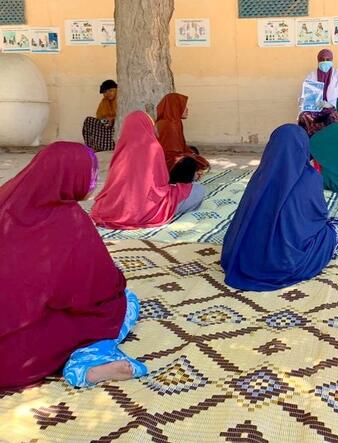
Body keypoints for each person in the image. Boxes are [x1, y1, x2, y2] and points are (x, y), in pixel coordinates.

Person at [0, 142, 147, 389]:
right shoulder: (69, 220)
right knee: (123, 303)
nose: (93, 182)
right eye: (91, 175)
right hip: (17, 358)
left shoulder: (6, 199)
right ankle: (85, 363)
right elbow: (96, 291)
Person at [221, 124, 338, 291]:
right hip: (284, 263)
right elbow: (319, 217)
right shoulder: (309, 177)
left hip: (240, 258)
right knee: (337, 225)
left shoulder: (261, 176)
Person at [91, 111, 205, 229]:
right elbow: (162, 183)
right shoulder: (153, 147)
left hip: (116, 207)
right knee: (199, 190)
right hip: (148, 207)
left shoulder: (121, 148)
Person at [156, 93, 210, 183]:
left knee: (193, 151)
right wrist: (189, 155)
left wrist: (190, 153)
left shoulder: (174, 122)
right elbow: (170, 154)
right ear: (175, 107)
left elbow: (180, 147)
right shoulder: (169, 125)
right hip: (167, 163)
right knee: (188, 162)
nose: (187, 110)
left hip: (172, 157)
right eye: (184, 106)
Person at [298, 49, 338, 136]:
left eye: (328, 60)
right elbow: (303, 95)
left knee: (332, 117)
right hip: (315, 109)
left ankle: (331, 144)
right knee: (304, 117)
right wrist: (302, 101)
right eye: (322, 59)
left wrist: (331, 105)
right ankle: (310, 143)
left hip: (333, 108)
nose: (325, 62)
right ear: (318, 61)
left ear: (332, 60)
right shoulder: (311, 76)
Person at [82, 79, 117, 152]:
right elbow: (100, 117)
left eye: (110, 91)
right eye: (105, 92)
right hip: (106, 127)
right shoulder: (104, 102)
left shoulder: (121, 100)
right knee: (89, 120)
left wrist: (113, 118)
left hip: (117, 127)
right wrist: (106, 121)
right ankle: (93, 147)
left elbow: (125, 115)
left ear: (115, 90)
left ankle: (116, 146)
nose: (108, 94)